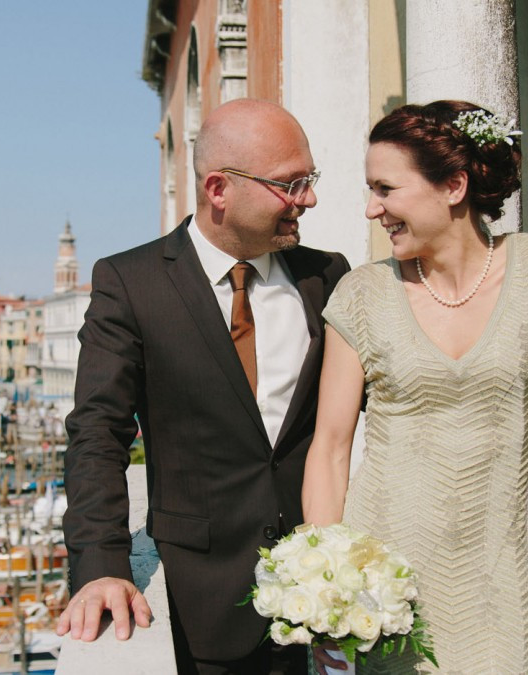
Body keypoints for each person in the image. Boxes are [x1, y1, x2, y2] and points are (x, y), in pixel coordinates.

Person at [302, 100, 528, 674]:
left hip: (490, 578)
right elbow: (330, 447)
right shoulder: (360, 295)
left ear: (453, 185)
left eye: (386, 189)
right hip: (379, 582)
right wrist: (325, 585)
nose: (371, 208)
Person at [56, 98, 350, 674]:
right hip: (201, 604)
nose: (308, 200)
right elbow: (97, 431)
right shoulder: (128, 282)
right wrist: (102, 565)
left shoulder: (327, 277)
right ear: (219, 188)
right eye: (291, 184)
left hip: (325, 600)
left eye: (309, 181)